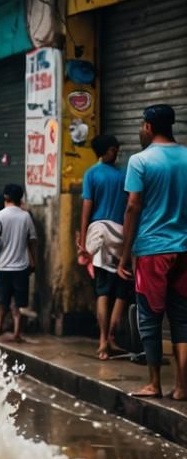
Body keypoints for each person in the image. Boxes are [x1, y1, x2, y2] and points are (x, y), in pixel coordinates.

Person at [117, 105, 187, 400]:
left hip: (151, 250)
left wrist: (124, 254)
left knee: (150, 318)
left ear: (147, 126)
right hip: (184, 248)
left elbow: (133, 206)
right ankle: (182, 387)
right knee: (182, 318)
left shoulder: (140, 161)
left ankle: (155, 384)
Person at [78, 134, 131, 359]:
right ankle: (111, 338)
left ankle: (101, 341)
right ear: (107, 151)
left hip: (98, 231)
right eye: (115, 149)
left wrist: (82, 238)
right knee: (121, 288)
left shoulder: (91, 174)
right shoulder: (124, 175)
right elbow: (131, 206)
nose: (117, 152)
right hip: (120, 232)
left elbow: (87, 207)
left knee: (102, 289)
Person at [0, 183, 36, 342]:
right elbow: (32, 241)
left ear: (5, 197)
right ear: (20, 198)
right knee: (18, 302)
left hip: (2, 267)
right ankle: (16, 331)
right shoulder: (26, 216)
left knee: (2, 300)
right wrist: (33, 261)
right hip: (21, 267)